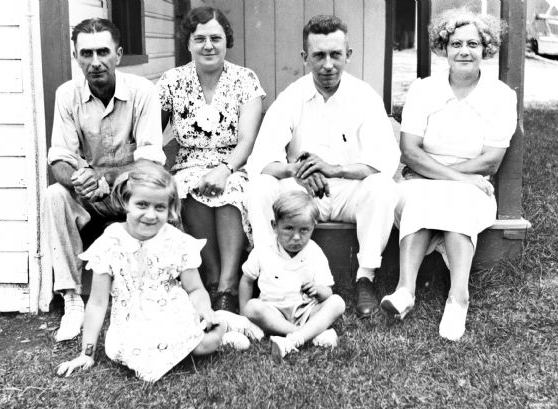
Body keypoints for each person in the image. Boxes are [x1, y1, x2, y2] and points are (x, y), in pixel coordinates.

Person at [245, 15, 400, 318]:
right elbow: (261, 161)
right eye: (319, 55)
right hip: (302, 194)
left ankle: (365, 277)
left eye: (335, 55)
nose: (328, 64)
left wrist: (332, 169)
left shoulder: (364, 97)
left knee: (382, 187)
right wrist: (297, 171)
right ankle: (268, 270)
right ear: (305, 58)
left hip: (347, 194)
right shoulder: (292, 97)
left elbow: (383, 162)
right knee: (261, 186)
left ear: (348, 55)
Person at [56, 161, 263, 382]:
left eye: (160, 207)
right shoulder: (111, 242)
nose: (151, 215)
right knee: (119, 352)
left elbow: (195, 289)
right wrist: (86, 354)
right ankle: (207, 332)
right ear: (126, 202)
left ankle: (222, 327)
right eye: (142, 205)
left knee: (202, 346)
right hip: (130, 326)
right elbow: (97, 303)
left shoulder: (174, 241)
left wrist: (204, 309)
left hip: (171, 316)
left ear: (170, 208)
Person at [380, 8, 517, 341]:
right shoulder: (423, 90)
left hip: (469, 181)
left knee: (456, 201)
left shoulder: (501, 96)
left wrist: (445, 176)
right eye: (456, 43)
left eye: (473, 43)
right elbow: (409, 151)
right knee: (422, 198)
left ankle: (458, 299)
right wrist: (455, 177)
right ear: (444, 47)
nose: (464, 51)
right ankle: (405, 291)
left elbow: (490, 161)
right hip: (427, 180)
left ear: (486, 48)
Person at [44, 18, 165, 342]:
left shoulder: (142, 92)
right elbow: (59, 158)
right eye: (86, 53)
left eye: (103, 52)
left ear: (119, 54)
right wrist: (78, 182)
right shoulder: (67, 95)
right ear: (76, 56)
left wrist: (106, 177)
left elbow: (151, 159)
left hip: (130, 188)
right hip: (91, 194)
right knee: (54, 195)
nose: (95, 62)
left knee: (153, 186)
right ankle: (72, 299)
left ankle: (151, 293)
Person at [157, 7, 265, 313]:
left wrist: (225, 168)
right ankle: (213, 281)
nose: (208, 45)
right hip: (188, 162)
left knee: (230, 192)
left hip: (235, 162)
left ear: (226, 41)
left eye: (216, 38)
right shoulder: (172, 81)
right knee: (188, 186)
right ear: (188, 43)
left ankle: (229, 286)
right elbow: (151, 133)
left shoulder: (245, 79)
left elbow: (247, 139)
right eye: (200, 38)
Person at [239, 191, 345, 361]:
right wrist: (244, 315)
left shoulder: (314, 252)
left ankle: (293, 338)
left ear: (313, 227)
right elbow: (247, 279)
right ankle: (310, 334)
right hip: (274, 312)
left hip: (305, 311)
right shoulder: (264, 249)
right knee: (252, 307)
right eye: (288, 229)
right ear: (274, 225)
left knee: (337, 303)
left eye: (304, 230)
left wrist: (317, 290)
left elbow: (328, 293)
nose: (296, 237)